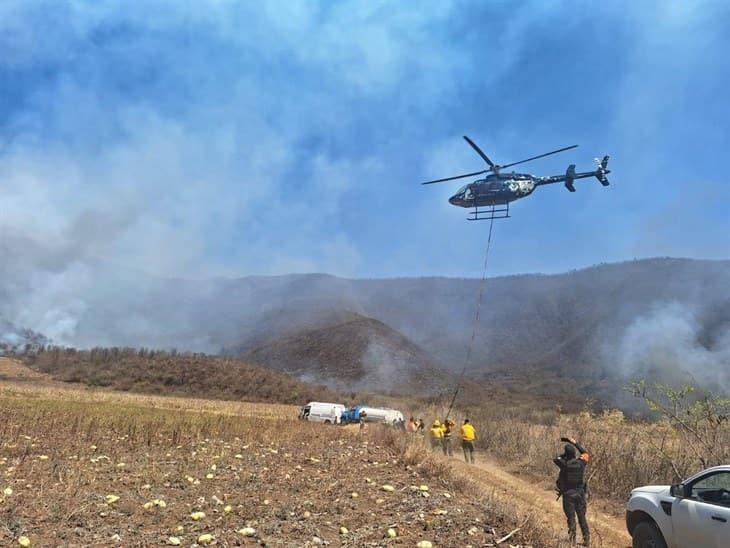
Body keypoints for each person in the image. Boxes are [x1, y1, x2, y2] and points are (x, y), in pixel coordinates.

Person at [553, 437, 590, 547]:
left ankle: (572, 540)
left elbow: (556, 458)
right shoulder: (581, 463)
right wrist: (573, 442)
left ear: (566, 454)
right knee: (582, 518)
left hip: (568, 495)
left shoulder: (564, 464)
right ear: (574, 454)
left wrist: (565, 455)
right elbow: (585, 453)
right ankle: (586, 540)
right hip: (580, 494)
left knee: (571, 518)